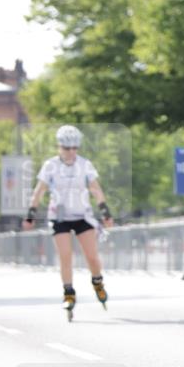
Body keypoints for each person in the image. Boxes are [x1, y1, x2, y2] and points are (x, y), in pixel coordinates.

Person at [23, 125, 114, 320]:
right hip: (60, 216)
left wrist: (105, 211)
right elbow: (39, 190)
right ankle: (69, 294)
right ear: (59, 147)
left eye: (75, 148)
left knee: (91, 257)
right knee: (66, 257)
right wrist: (31, 213)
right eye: (67, 148)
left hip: (82, 215)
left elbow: (95, 188)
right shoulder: (50, 166)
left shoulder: (85, 165)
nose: (71, 152)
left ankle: (97, 282)